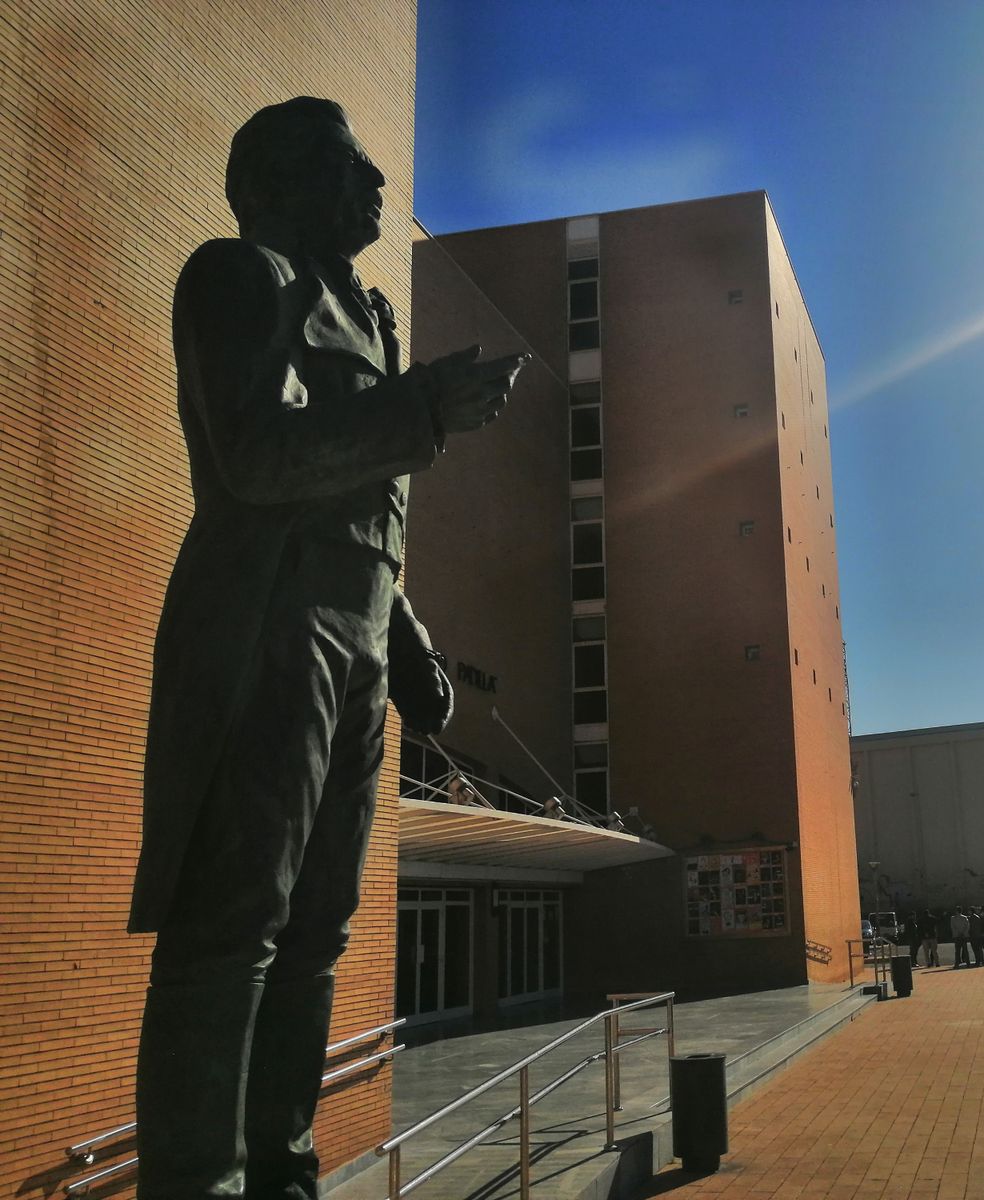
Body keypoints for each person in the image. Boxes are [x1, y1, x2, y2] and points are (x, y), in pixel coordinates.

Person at [127, 97, 526, 1200]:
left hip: (353, 641)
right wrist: (423, 412)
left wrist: (409, 648)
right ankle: (198, 1183)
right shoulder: (238, 276)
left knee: (315, 937)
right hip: (268, 624)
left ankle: (285, 1177)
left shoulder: (373, 318)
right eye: (350, 169)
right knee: (233, 928)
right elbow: (256, 461)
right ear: (282, 183)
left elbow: (368, 518)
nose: (376, 188)